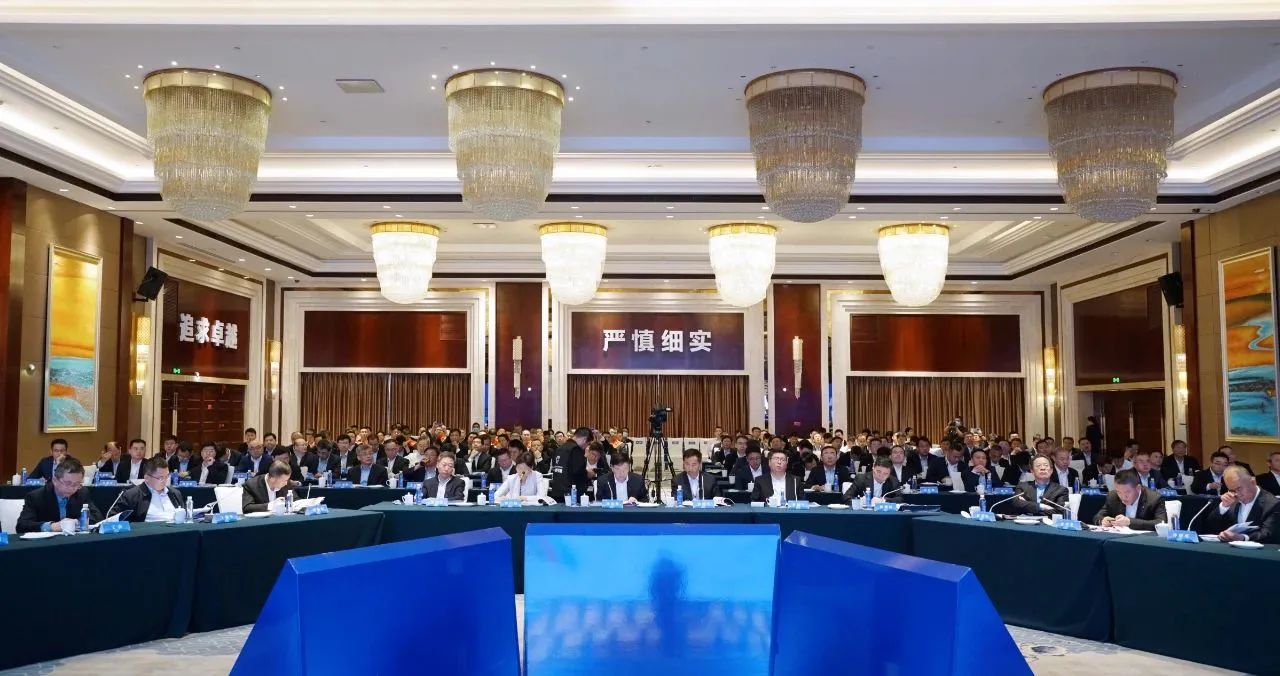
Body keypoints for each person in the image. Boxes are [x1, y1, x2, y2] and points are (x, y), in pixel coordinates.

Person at [16, 457, 102, 533]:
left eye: (77, 484)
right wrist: (52, 526)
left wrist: (78, 522)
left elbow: (97, 517)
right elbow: (22, 526)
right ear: (55, 481)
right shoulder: (36, 497)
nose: (72, 488)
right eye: (68, 483)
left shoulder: (82, 493)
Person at [1204, 466, 1279, 544]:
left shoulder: (1273, 504)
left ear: (1253, 482)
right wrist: (1223, 507)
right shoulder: (1231, 500)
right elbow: (1210, 527)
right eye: (1232, 490)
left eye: (1239, 488)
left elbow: (1270, 534)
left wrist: (1243, 538)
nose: (1236, 494)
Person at [110, 457, 185, 523]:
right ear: (147, 478)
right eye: (161, 478)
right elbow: (113, 518)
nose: (165, 481)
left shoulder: (175, 493)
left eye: (167, 476)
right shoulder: (132, 495)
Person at [1093, 469, 1167, 531]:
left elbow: (1161, 523)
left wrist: (1130, 522)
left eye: (1127, 492)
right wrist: (1102, 520)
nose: (1123, 497)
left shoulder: (1154, 499)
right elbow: (1097, 516)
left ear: (1138, 488)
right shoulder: (1113, 496)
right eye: (1119, 492)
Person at [1005, 456, 1070, 516]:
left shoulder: (1061, 490)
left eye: (1046, 465)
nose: (1042, 468)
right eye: (1038, 465)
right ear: (1032, 471)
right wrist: (1041, 506)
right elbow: (1015, 504)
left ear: (1051, 470)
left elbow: (1059, 512)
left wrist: (1028, 507)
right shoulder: (1023, 487)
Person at [549, 427, 591, 503]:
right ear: (585, 439)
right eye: (588, 444)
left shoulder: (559, 448)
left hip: (557, 491)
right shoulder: (576, 449)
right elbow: (578, 471)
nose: (586, 447)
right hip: (571, 494)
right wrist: (588, 474)